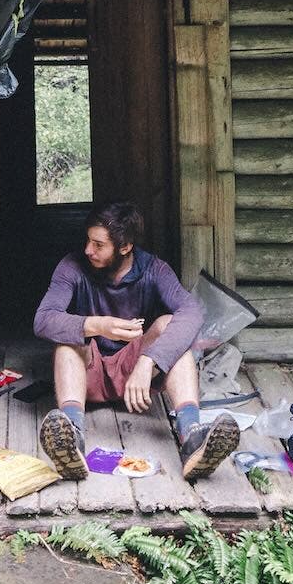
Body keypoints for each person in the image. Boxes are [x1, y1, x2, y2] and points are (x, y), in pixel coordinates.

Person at [34, 201, 241, 483]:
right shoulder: (72, 267)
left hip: (135, 378)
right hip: (87, 374)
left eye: (98, 245)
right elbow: (43, 319)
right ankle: (72, 438)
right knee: (68, 341)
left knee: (171, 326)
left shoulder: (154, 269)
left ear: (125, 247)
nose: (88, 250)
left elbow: (191, 313)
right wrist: (97, 325)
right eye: (88, 241)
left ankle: (192, 435)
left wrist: (148, 362)